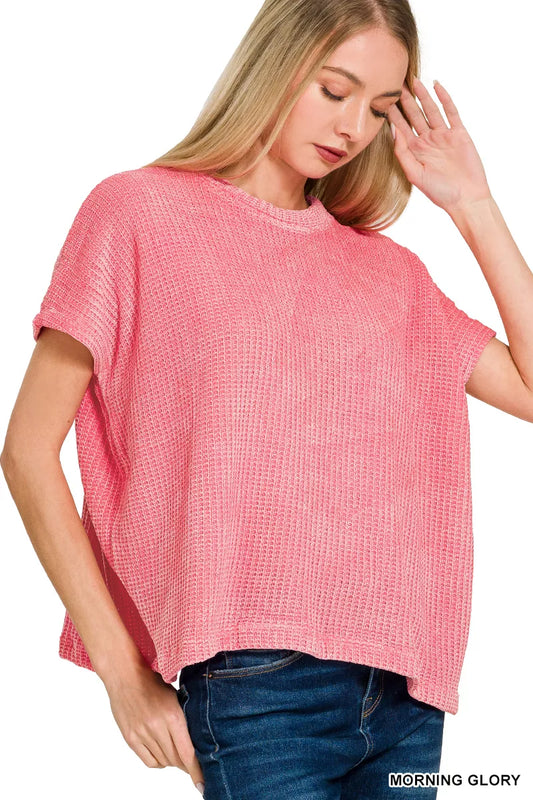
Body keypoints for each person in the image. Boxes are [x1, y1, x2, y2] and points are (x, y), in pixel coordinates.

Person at [2, 0, 532, 798]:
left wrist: (473, 205)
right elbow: (26, 451)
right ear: (274, 66)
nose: (352, 126)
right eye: (334, 89)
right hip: (256, 687)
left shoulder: (387, 273)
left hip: (405, 688)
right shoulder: (138, 213)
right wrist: (121, 674)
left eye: (379, 108)